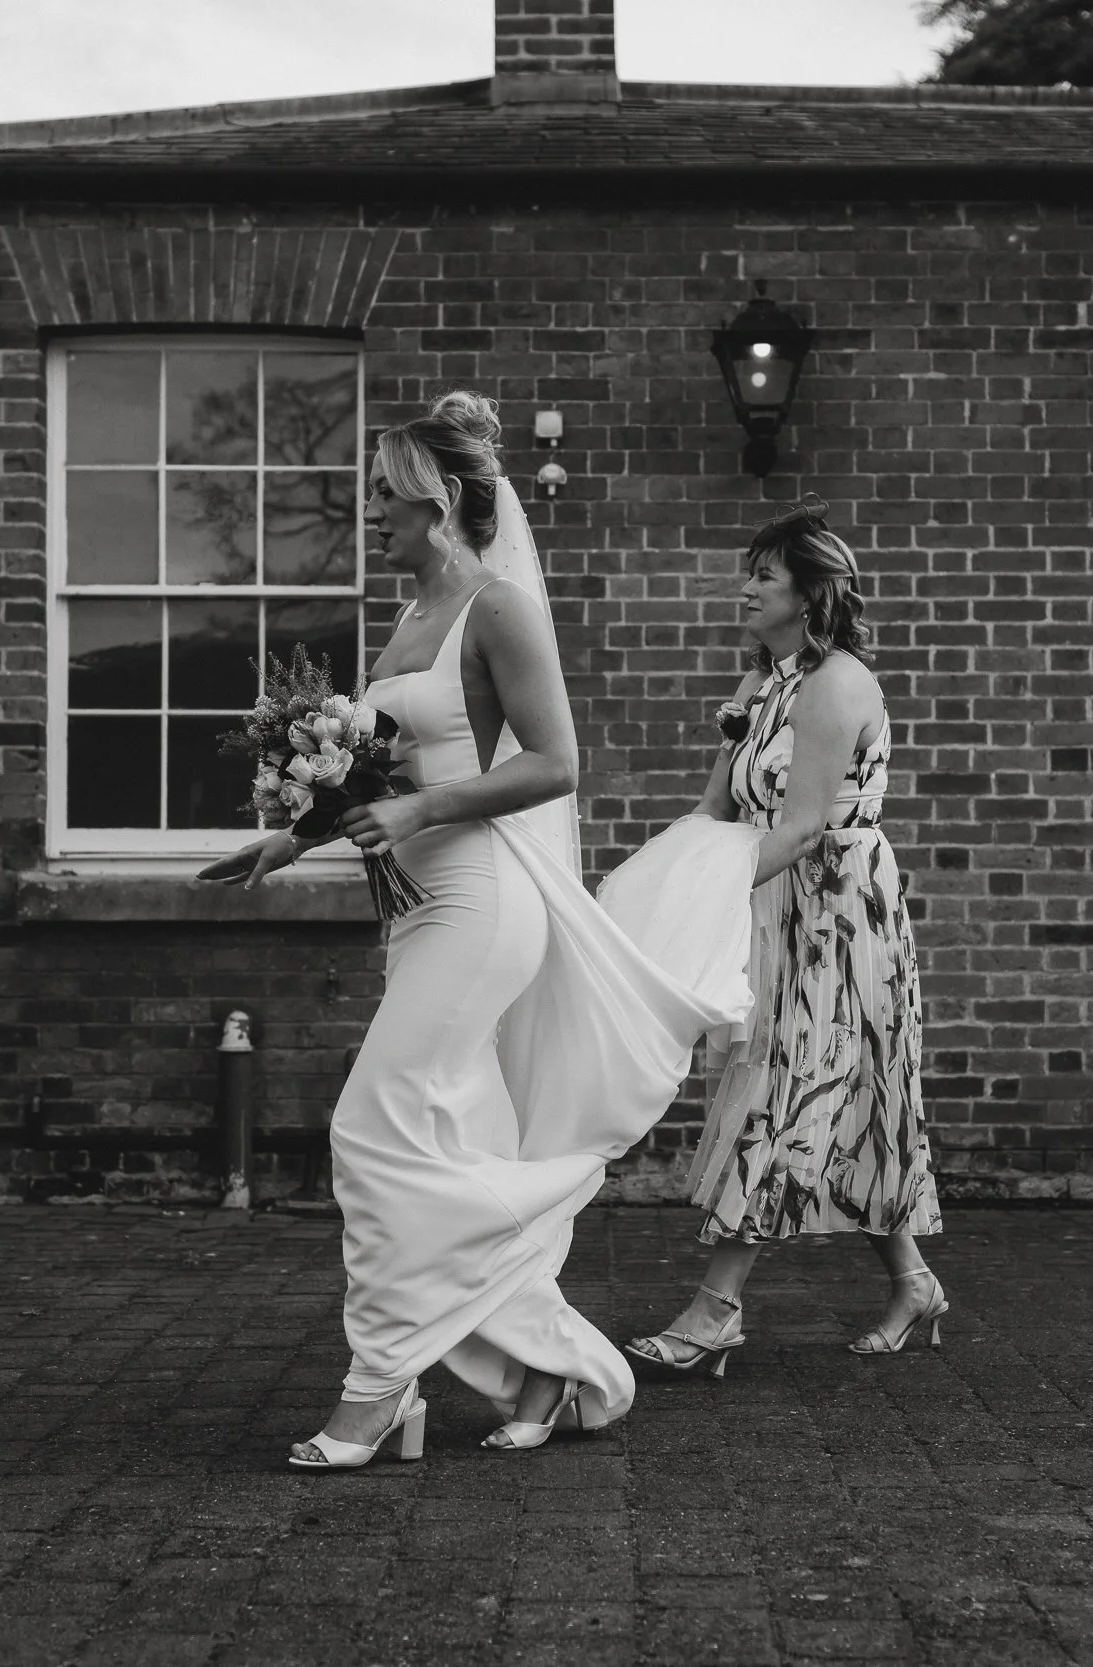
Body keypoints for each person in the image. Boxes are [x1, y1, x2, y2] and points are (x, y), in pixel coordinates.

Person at [199, 392, 756, 1469]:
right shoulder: (407, 618)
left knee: (369, 1132)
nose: (368, 511)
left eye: (384, 492)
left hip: (480, 903)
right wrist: (289, 839)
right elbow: (384, 767)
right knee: (450, 1144)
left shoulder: (498, 606)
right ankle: (546, 1359)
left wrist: (413, 812)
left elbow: (553, 763)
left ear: (441, 497)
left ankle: (378, 1383)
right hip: (409, 914)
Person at [626, 501, 945, 1375]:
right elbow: (714, 808)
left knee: (790, 1089)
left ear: (809, 592)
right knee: (852, 1099)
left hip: (838, 913)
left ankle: (715, 1309)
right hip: (776, 903)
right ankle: (913, 1282)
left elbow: (804, 825)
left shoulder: (838, 682)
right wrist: (649, 887)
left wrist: (708, 898)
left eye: (764, 574)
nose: (746, 587)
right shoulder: (767, 683)